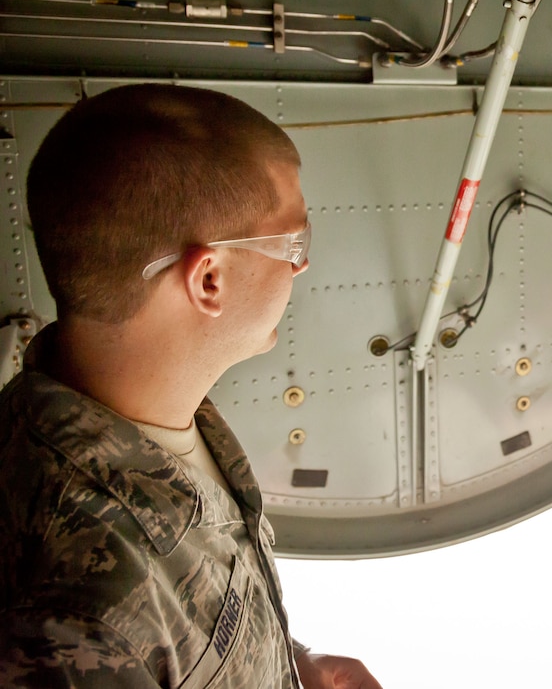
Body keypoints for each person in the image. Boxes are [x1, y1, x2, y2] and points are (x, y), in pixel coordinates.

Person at [0, 84, 382, 688]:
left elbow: (194, 625)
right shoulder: (82, 619)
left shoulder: (133, 412)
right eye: (294, 243)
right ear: (209, 280)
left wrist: (289, 662)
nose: (301, 266)